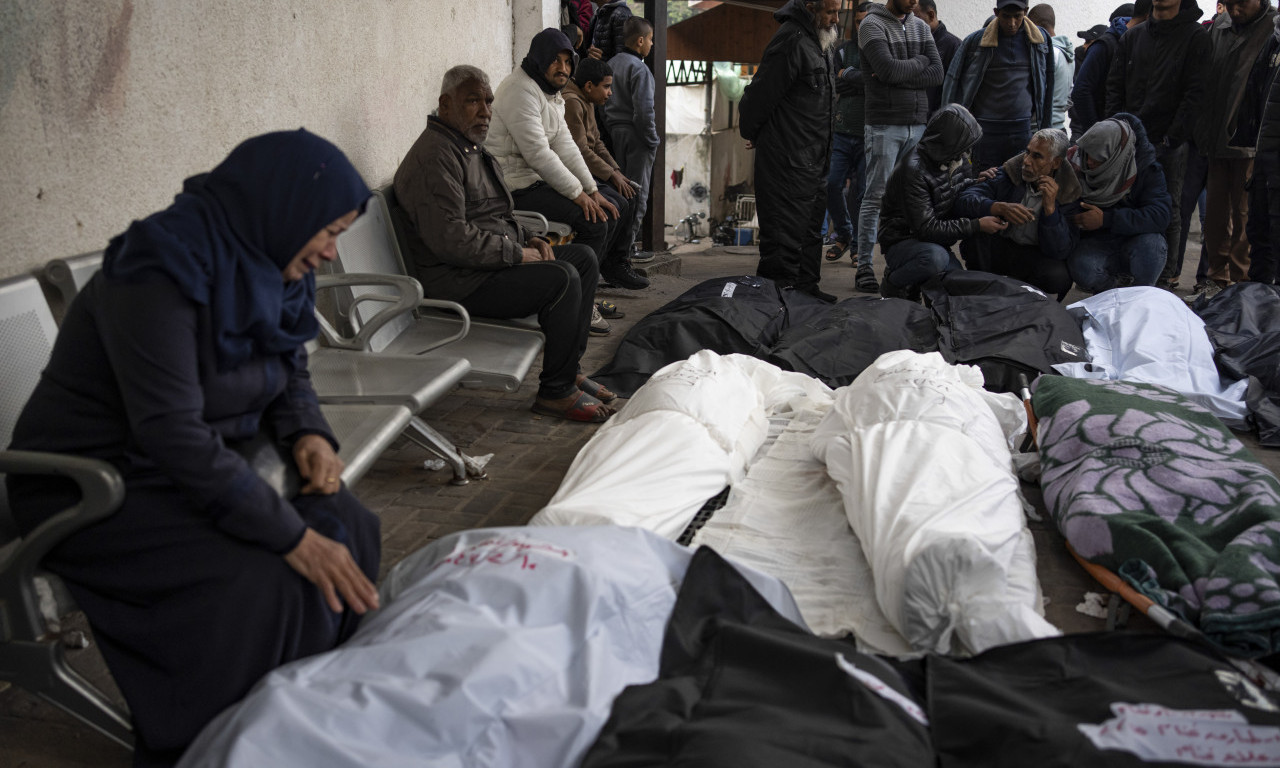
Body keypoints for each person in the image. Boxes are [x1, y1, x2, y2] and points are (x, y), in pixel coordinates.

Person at [5, 130, 381, 765]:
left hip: (191, 469)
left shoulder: (274, 257)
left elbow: (288, 367)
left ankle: (307, 716)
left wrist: (309, 433)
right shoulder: (156, 273)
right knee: (257, 577)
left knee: (347, 525)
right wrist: (288, 536)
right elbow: (170, 430)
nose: (330, 252)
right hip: (91, 484)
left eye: (341, 233)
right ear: (282, 205)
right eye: (329, 232)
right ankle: (212, 744)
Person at [395, 65, 617, 423]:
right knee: (561, 279)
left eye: (488, 102)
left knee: (583, 259)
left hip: (483, 265)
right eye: (473, 102)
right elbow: (452, 242)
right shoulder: (437, 157)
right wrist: (518, 253)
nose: (485, 112)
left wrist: (528, 238)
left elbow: (497, 215)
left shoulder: (468, 148)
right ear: (445, 104)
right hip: (459, 281)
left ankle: (568, 370)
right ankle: (554, 392)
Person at [487, 28, 647, 291]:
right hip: (513, 186)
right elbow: (538, 153)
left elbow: (566, 145)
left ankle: (588, 287)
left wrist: (591, 189)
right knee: (594, 221)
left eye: (567, 61)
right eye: (555, 60)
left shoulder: (549, 91)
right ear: (539, 59)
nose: (563, 68)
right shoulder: (520, 90)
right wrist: (579, 194)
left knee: (606, 209)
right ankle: (577, 295)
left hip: (534, 180)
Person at [739, 0, 841, 302]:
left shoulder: (820, 41)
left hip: (815, 158)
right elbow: (759, 95)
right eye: (829, 12)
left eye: (837, 12)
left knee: (811, 231)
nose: (835, 19)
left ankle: (806, 292)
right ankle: (775, 305)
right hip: (787, 159)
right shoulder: (791, 40)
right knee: (783, 239)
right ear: (810, 7)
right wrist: (754, 132)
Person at [1105, 0, 1210, 290]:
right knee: (1120, 201)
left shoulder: (1196, 37)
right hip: (1127, 139)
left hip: (1170, 142)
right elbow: (1114, 86)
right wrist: (1116, 130)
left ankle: (1166, 278)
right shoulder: (1133, 36)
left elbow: (1195, 93)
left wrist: (1171, 138)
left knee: (1170, 208)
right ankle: (1126, 271)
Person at [1190, 0, 1278, 303]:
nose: (1235, 8)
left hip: (1251, 142)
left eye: (1242, 2)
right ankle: (1216, 279)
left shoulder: (1272, 27)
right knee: (1214, 215)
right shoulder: (1221, 26)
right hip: (1216, 138)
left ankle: (1242, 284)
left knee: (1245, 218)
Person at [856, 0, 944, 294]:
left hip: (917, 122)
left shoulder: (919, 25)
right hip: (884, 123)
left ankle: (898, 266)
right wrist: (919, 63)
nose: (913, 2)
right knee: (876, 196)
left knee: (911, 199)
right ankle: (864, 267)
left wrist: (899, 74)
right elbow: (889, 71)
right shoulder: (871, 25)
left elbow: (937, 73)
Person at [877, 104, 1008, 300]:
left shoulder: (955, 158)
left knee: (955, 287)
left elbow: (951, 189)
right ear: (950, 141)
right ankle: (894, 282)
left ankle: (919, 286)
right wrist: (976, 225)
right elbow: (926, 228)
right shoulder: (913, 170)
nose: (967, 152)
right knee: (935, 260)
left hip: (936, 242)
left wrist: (976, 181)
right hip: (903, 241)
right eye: (964, 145)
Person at [562, 56, 641, 329]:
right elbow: (580, 152)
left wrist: (617, 172)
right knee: (608, 211)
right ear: (587, 85)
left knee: (627, 194)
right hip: (572, 174)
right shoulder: (572, 103)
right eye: (606, 87)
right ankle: (589, 289)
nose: (610, 93)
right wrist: (608, 176)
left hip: (587, 171)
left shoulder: (588, 101)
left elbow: (598, 144)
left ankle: (614, 263)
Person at [955, 127, 1081, 298]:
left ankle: (1029, 302)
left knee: (1058, 275)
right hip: (1002, 246)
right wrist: (998, 207)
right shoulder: (1011, 171)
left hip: (1034, 256)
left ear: (1056, 163)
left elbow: (1060, 251)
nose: (1027, 161)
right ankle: (981, 293)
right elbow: (965, 200)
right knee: (978, 234)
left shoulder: (1069, 190)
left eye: (1037, 156)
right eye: (1027, 152)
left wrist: (1050, 210)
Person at [942, 0, 1056, 171]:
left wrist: (1045, 131)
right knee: (984, 181)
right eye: (1006, 17)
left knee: (1019, 183)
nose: (1011, 23)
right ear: (996, 12)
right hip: (987, 132)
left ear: (1026, 11)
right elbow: (952, 82)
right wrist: (951, 131)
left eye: (1017, 17)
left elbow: (1048, 86)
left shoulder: (1039, 40)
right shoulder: (975, 42)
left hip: (1022, 130)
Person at [1066, 113, 1172, 293]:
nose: (1090, 162)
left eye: (1098, 158)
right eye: (1088, 155)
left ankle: (1139, 296)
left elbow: (1160, 215)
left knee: (1152, 246)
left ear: (1115, 154)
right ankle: (1111, 294)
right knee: (1082, 267)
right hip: (1098, 241)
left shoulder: (1146, 169)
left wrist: (1106, 219)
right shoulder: (1077, 164)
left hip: (1135, 239)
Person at [602, 16, 660, 277]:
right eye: (650, 39)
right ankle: (625, 254)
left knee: (620, 195)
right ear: (640, 41)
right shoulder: (640, 69)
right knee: (638, 196)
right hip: (637, 137)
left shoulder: (611, 64)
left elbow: (601, 105)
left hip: (615, 134)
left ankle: (615, 250)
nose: (651, 43)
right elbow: (644, 111)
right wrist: (651, 140)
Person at [826, 2, 873, 266]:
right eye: (857, 22)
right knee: (831, 183)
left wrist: (851, 78)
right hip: (842, 129)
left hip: (869, 132)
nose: (861, 27)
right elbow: (835, 81)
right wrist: (861, 81)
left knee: (863, 193)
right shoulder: (843, 50)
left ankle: (857, 247)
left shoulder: (879, 49)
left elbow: (876, 82)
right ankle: (844, 233)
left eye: (866, 21)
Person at [1243, 11, 1280, 286]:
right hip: (1265, 158)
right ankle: (1262, 308)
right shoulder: (1274, 40)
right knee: (1259, 234)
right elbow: (1257, 97)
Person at [1069, 9, 1132, 140]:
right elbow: (1079, 92)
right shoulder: (1099, 49)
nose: (1084, 46)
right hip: (1087, 129)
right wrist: (1095, 129)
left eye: (1088, 41)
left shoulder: (1114, 51)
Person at [1027, 4, 1074, 132]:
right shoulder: (1068, 54)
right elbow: (1070, 95)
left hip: (1039, 129)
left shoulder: (1047, 53)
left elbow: (1037, 91)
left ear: (1035, 25)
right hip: (1058, 128)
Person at [912, 0, 963, 116]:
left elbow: (955, 89)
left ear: (931, 15)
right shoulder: (912, 43)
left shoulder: (954, 45)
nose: (910, 23)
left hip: (938, 119)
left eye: (915, 18)